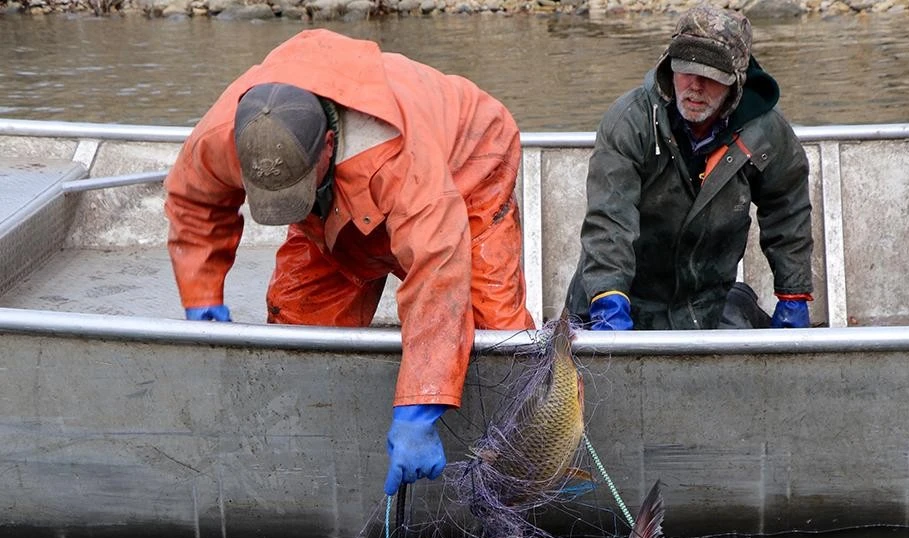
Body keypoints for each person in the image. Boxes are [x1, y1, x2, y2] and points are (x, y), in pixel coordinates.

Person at [164, 29, 536, 497]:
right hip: (334, 213)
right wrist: (202, 299)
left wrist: (419, 410)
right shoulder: (226, 136)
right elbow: (195, 205)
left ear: (326, 146)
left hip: (468, 160)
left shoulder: (397, 159)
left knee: (498, 340)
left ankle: (531, 475)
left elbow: (439, 276)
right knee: (300, 336)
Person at [564, 4, 813, 331]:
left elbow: (788, 208)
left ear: (737, 82)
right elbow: (609, 220)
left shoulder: (766, 132)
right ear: (669, 66)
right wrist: (609, 300)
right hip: (620, 301)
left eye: (710, 76)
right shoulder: (629, 122)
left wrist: (793, 295)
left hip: (704, 308)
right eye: (686, 70)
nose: (695, 86)